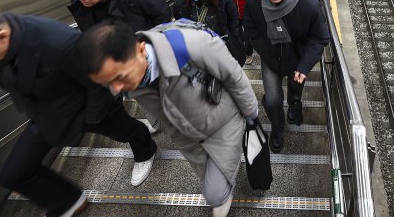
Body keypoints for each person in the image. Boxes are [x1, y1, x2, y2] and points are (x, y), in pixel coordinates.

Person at [0, 0, 157, 217]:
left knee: (127, 131)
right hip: (44, 114)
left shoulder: (59, 43)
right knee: (13, 174)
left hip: (85, 108)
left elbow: (99, 84)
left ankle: (145, 148)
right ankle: (68, 201)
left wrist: (92, 118)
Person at [76, 20, 258, 217]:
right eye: (107, 83)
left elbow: (235, 78)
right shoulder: (131, 73)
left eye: (120, 76)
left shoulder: (193, 45)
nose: (116, 89)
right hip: (184, 135)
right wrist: (160, 124)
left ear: (141, 49)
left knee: (215, 194)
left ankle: (221, 192)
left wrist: (252, 116)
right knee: (205, 174)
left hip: (222, 124)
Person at [242, 0, 329, 151]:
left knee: (295, 87)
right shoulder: (254, 2)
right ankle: (277, 128)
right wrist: (264, 49)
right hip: (270, 60)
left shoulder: (308, 6)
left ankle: (294, 103)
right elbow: (250, 28)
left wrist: (305, 65)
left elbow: (319, 38)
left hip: (298, 60)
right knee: (272, 100)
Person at [173, 0, 245, 66]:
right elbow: (178, 18)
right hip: (196, 48)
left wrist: (232, 35)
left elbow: (233, 16)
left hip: (219, 44)